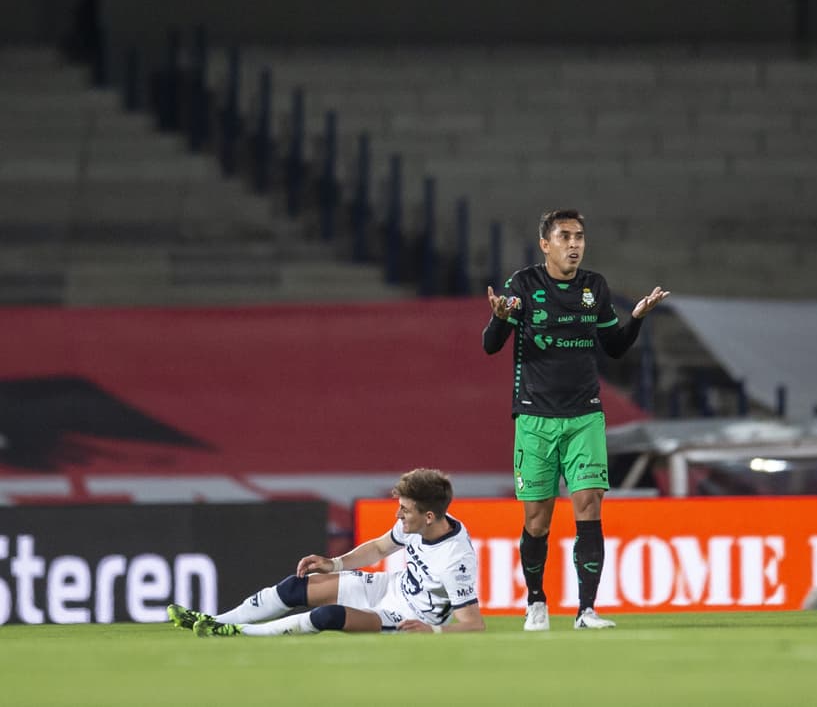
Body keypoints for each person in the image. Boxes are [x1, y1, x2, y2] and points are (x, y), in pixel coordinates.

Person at [483, 208, 669, 631]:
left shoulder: (594, 287)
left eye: (580, 236)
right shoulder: (523, 285)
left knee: (588, 504)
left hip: (585, 415)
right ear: (545, 244)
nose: (574, 244)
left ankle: (586, 610)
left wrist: (636, 318)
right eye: (565, 236)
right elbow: (490, 346)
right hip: (534, 417)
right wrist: (498, 318)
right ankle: (536, 602)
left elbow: (615, 348)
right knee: (537, 519)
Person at [167, 468, 484, 636]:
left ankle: (238, 632)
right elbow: (377, 548)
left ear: (428, 516)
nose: (399, 516)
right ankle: (213, 620)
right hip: (391, 587)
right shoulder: (418, 522)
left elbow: (473, 623)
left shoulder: (455, 560)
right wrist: (333, 564)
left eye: (405, 510)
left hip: (408, 616)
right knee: (295, 586)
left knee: (328, 616)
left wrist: (433, 631)